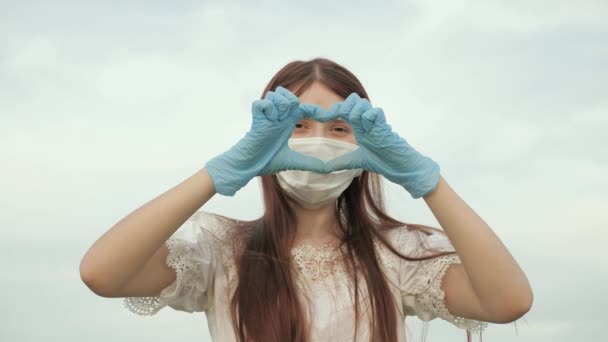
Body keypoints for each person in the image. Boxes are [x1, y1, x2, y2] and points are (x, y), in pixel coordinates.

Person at [80, 57, 532, 342]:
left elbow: (508, 302)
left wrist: (427, 180)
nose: (318, 142)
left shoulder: (398, 254)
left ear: (368, 145)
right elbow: (101, 273)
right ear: (264, 138)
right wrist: (219, 173)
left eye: (339, 129)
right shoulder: (221, 248)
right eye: (297, 126)